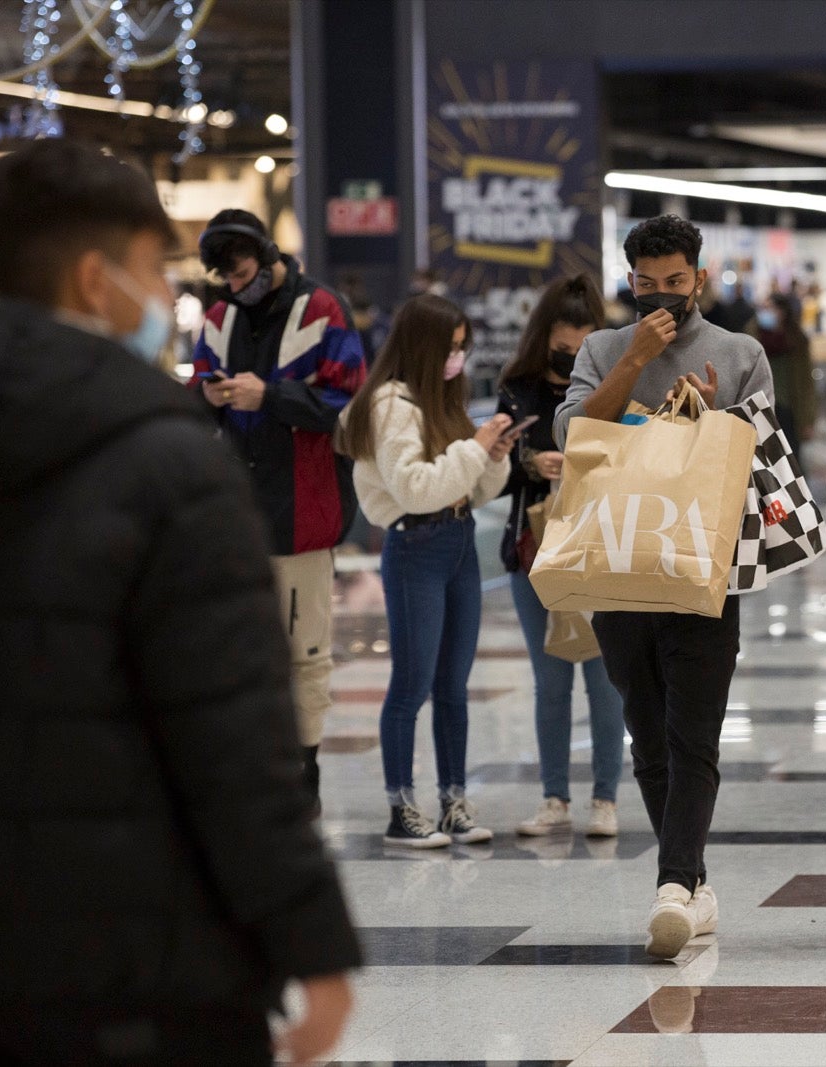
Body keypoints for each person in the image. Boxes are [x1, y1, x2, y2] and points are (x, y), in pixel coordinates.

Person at [0, 140, 358, 1064]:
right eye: (153, 268)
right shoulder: (170, 465)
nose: (171, 299)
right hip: (139, 961)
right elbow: (227, 730)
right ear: (98, 280)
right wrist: (311, 940)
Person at [555, 214, 774, 959]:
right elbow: (573, 435)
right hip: (620, 564)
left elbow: (763, 460)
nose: (663, 297)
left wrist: (712, 417)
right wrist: (634, 361)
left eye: (675, 284)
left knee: (694, 733)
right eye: (647, 285)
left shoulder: (741, 353)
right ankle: (692, 883)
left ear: (699, 279)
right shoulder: (602, 348)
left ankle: (672, 884)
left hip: (703, 570)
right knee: (647, 734)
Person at [191, 210, 366, 818]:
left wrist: (270, 396)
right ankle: (254, 769)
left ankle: (307, 770)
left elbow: (346, 401)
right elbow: (197, 402)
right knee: (239, 653)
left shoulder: (322, 309)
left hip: (304, 512)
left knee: (306, 654)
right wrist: (208, 396)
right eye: (225, 281)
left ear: (264, 255)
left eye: (240, 274)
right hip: (236, 517)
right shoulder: (218, 318)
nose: (235, 288)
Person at [339, 295, 521, 848]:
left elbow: (469, 486)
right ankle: (400, 808)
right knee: (411, 684)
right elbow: (416, 490)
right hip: (416, 546)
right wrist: (474, 448)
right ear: (423, 345)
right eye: (452, 346)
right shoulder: (391, 405)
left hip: (459, 541)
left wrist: (493, 455)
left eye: (463, 347)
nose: (458, 357)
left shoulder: (439, 399)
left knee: (453, 686)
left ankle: (452, 801)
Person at [496, 274, 626, 839]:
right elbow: (489, 470)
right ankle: (554, 797)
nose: (572, 351)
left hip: (602, 547)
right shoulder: (516, 389)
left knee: (604, 678)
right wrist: (530, 464)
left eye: (584, 340)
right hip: (534, 547)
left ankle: (605, 798)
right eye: (563, 340)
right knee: (550, 679)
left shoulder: (615, 383)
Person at [755, 291, 817, 453]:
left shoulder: (797, 340)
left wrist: (808, 419)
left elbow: (806, 382)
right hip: (761, 408)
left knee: (791, 459)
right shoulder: (752, 337)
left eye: (769, 308)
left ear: (782, 312)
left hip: (789, 409)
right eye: (763, 308)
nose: (764, 313)